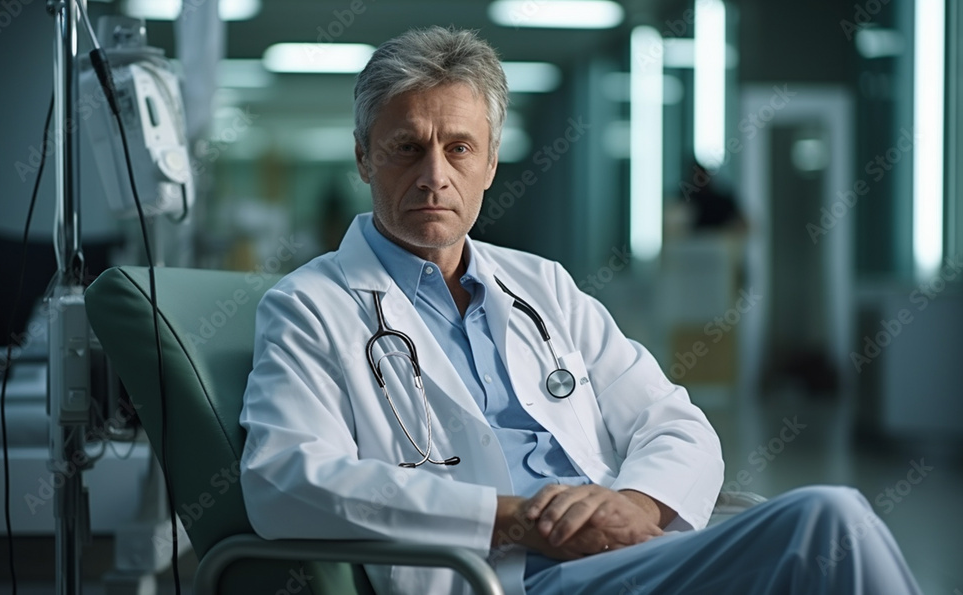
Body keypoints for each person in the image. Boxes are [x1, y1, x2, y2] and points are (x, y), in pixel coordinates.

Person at [239, 26, 921, 595]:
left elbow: (674, 421)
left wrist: (634, 504)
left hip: (622, 556)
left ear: (491, 163)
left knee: (833, 534)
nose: (435, 175)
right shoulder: (310, 308)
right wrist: (515, 519)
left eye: (458, 147)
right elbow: (285, 480)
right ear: (364, 156)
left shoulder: (544, 286)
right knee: (829, 522)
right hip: (505, 578)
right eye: (406, 147)